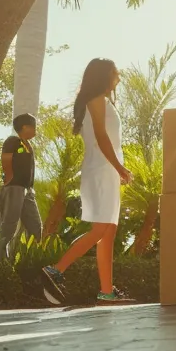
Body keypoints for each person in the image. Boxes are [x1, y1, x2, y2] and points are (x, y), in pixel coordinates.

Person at [40, 58, 133, 306]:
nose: (118, 78)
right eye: (115, 73)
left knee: (108, 232)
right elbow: (101, 138)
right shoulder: (96, 101)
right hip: (101, 170)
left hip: (106, 172)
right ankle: (55, 270)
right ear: (104, 76)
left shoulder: (100, 102)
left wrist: (117, 170)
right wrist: (119, 167)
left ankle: (106, 292)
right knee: (100, 229)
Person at [0, 113, 42, 264]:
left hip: (27, 190)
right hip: (14, 187)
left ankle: (30, 260)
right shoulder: (12, 141)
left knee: (35, 225)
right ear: (24, 127)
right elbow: (6, 159)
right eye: (33, 127)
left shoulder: (28, 145)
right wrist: (9, 178)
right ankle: (1, 260)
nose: (35, 130)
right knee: (9, 224)